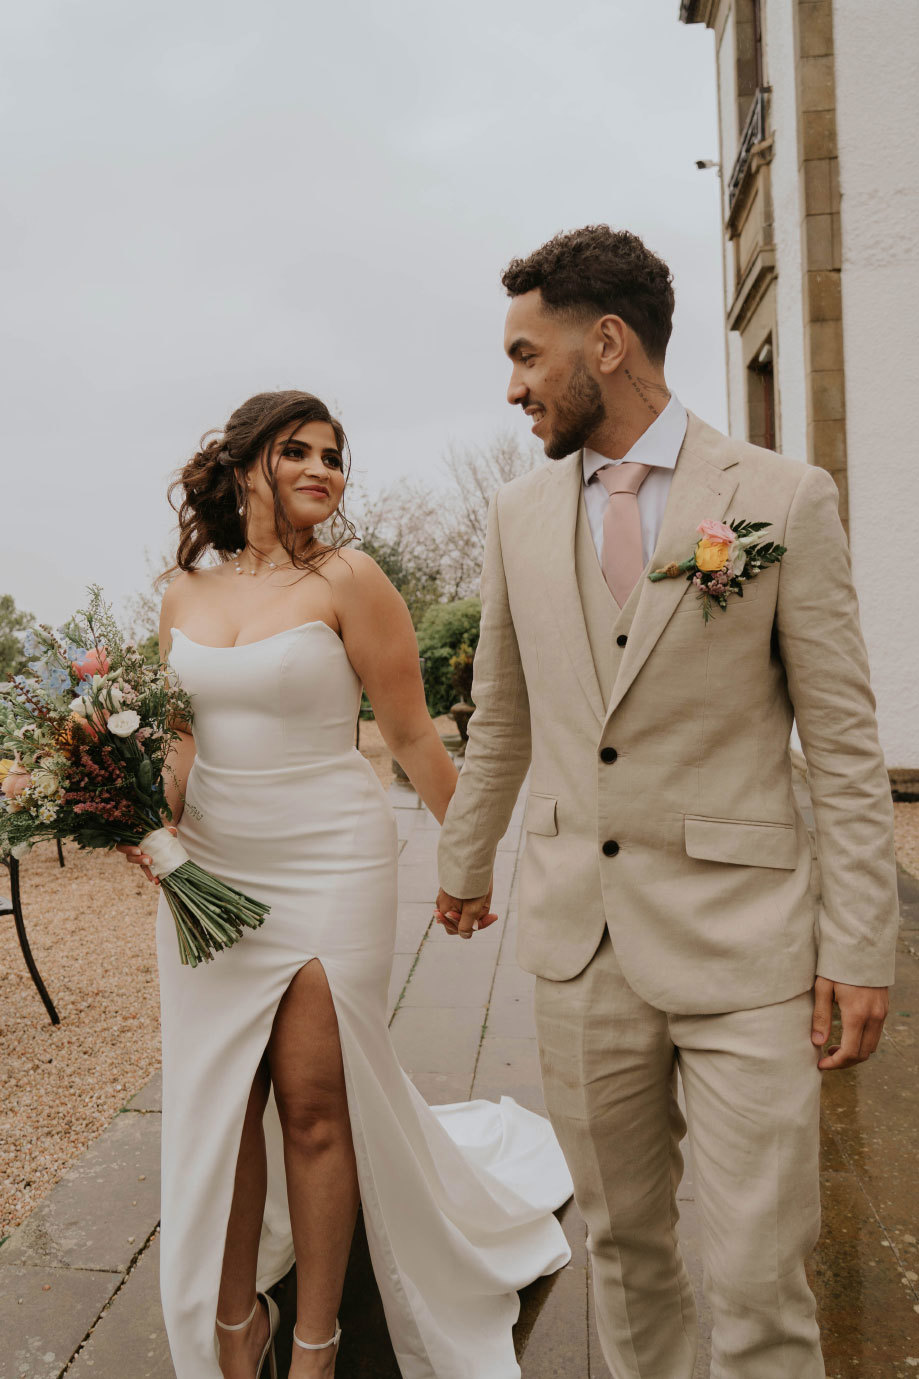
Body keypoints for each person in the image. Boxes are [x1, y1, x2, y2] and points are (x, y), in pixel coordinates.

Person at [434, 225, 899, 1379]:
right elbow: (503, 713)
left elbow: (842, 744)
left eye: (527, 355)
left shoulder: (780, 500)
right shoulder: (514, 517)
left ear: (607, 341)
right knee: (625, 1252)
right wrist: (462, 858)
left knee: (755, 1276)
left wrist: (861, 943)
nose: (513, 386)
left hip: (745, 947)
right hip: (577, 941)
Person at [118, 389, 572, 1379]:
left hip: (330, 853)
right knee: (225, 1099)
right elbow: (180, 738)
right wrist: (133, 816)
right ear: (245, 466)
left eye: (333, 453)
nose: (323, 467)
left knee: (315, 1099)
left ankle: (316, 1340)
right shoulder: (182, 592)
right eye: (297, 450)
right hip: (211, 867)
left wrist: (471, 857)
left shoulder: (351, 578)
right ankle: (238, 1324)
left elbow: (410, 732)